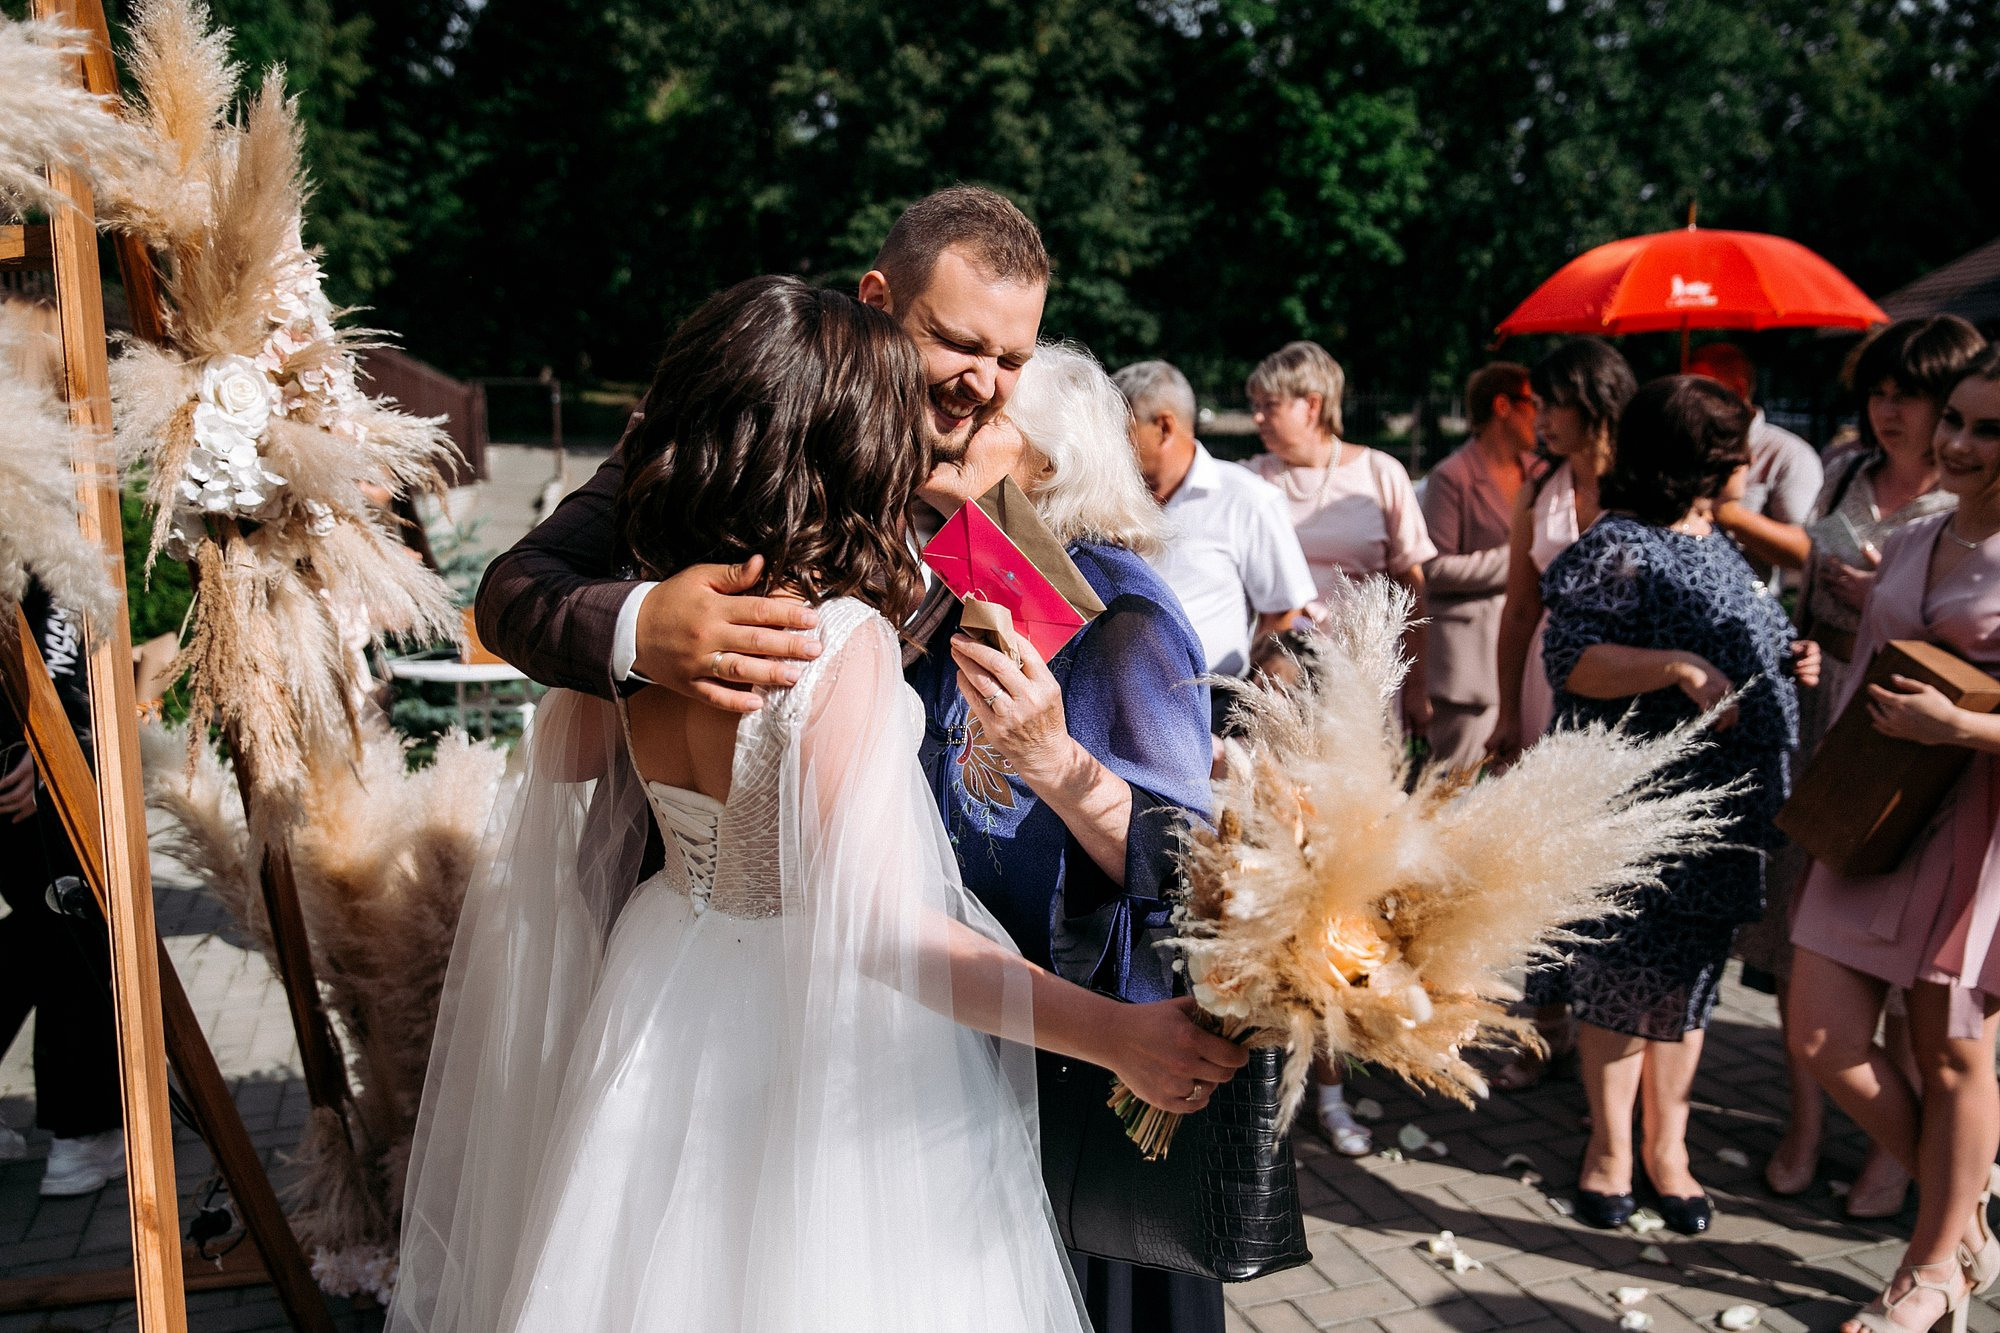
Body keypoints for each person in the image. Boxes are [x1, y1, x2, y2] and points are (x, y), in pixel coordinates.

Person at [394, 278, 1248, 1333]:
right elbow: (887, 938)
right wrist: (1113, 1035)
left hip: (660, 986)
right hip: (819, 1046)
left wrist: (641, 632)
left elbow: (573, 769)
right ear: (839, 437)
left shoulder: (668, 614)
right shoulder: (832, 640)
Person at [911, 342, 1237, 1330]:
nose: (943, 424)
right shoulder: (950, 586)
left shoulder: (1126, 618)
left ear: (1044, 465)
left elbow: (1193, 868)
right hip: (962, 1029)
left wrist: (1055, 760)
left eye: (981, 413)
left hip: (1084, 1071)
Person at [1541, 376, 1812, 1237]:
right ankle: (1611, 1152)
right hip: (1642, 809)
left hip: (1723, 817)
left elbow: (1739, 641)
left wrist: (1788, 654)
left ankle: (1671, 1150)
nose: (1742, 467)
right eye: (1730, 453)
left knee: (1689, 986)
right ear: (1695, 462)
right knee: (1621, 977)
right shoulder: (1619, 544)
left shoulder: (1722, 542)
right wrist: (1675, 667)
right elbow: (1571, 661)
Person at [1738, 315, 1985, 1212]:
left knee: (1926, 1009)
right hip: (1836, 726)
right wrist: (1816, 636)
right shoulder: (1853, 477)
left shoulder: (1962, 510)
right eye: (1878, 390)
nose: (1890, 411)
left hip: (1943, 767)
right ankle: (1823, 1133)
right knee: (1810, 977)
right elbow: (1812, 599)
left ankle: (1922, 1187)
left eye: (1909, 395)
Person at [1788, 348, 2000, 1333]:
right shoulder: (1912, 537)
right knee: (1820, 1032)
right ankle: (1960, 1214)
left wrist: (1961, 730)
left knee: (1952, 1053)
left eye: (1984, 428)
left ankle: (1927, 1273)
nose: (1954, 441)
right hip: (1873, 812)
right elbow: (1869, 660)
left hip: (1981, 825)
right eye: (1951, 418)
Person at [1241, 339, 1434, 1156]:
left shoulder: (1381, 473)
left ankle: (1337, 1075)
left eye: (1268, 404)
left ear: (1312, 404)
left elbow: (1414, 586)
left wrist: (1414, 688)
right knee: (1279, 885)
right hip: (1281, 706)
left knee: (1352, 888)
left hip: (1361, 703)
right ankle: (1275, 1073)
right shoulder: (1249, 482)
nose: (1256, 418)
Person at [1486, 337, 1638, 1090]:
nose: (1540, 418)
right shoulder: (1538, 487)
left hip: (1625, 694)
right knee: (1545, 865)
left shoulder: (1648, 486)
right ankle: (1542, 1027)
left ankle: (1615, 1042)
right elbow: (1519, 608)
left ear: (1595, 401)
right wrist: (1509, 710)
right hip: (1549, 686)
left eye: (1553, 403)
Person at [0, 581, 125, 1197]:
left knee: (34, 932)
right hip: (30, 781)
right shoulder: (45, 534)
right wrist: (41, 742)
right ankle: (82, 1137)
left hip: (23, 767)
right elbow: (54, 646)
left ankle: (83, 1135)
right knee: (73, 934)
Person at [1112, 358, 1314, 712]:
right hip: (1113, 703)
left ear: (1163, 427)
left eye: (1120, 431)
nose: (1108, 445)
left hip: (1208, 708)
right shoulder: (1107, 498)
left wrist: (1255, 708)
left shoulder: (1246, 499)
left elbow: (1284, 614)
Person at [1420, 362, 1538, 770]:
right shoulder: (1451, 477)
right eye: (1533, 403)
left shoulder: (1539, 473)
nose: (1541, 414)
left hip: (1528, 660)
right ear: (1503, 406)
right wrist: (1519, 560)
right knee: (1455, 790)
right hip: (1469, 671)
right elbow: (1434, 567)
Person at [1689, 342, 1823, 581]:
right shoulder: (1681, 445)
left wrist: (1729, 514)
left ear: (1738, 390)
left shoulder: (1789, 454)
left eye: (1700, 390)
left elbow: (1807, 552)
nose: (1687, 400)